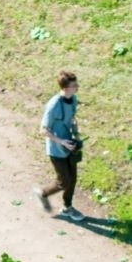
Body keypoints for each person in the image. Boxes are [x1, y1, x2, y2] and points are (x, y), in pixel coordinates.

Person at [35, 71, 85, 222]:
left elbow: (71, 119)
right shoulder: (54, 105)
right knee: (63, 181)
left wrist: (75, 135)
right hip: (57, 150)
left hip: (70, 145)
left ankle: (67, 207)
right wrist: (62, 142)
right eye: (74, 85)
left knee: (73, 178)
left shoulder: (73, 99)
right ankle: (42, 194)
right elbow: (43, 130)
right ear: (65, 88)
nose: (77, 87)